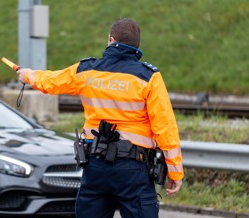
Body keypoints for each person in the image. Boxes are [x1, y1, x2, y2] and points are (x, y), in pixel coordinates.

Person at [17, 18, 183, 218]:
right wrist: (175, 172)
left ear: (111, 40)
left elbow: (51, 81)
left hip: (96, 166)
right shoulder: (148, 77)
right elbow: (165, 128)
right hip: (133, 169)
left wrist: (27, 75)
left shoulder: (87, 70)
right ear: (136, 46)